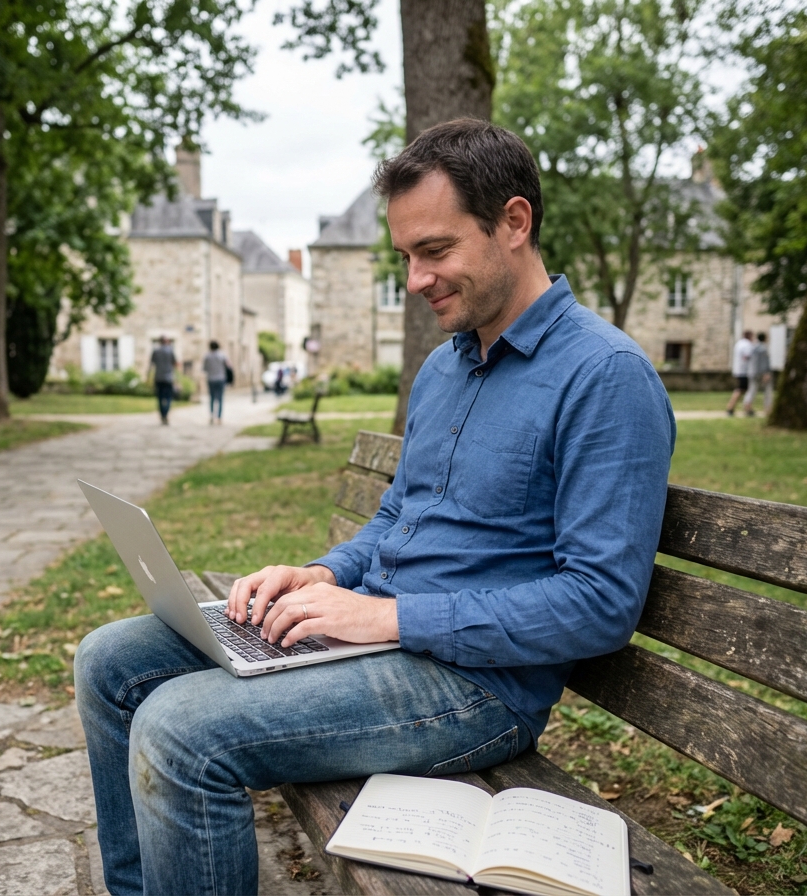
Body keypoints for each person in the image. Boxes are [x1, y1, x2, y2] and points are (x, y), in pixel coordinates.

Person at [74, 119, 675, 896]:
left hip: (478, 687)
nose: (417, 279)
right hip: (375, 640)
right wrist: (318, 573)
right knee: (108, 662)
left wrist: (386, 618)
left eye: (436, 251)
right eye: (406, 257)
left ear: (515, 223)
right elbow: (398, 519)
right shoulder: (444, 369)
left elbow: (600, 605)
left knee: (181, 731)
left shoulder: (605, 378)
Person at [148, 336, 177, 425]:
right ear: (167, 342)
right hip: (168, 378)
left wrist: (148, 376)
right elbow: (175, 363)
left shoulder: (156, 351)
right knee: (168, 397)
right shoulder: (170, 351)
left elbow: (151, 364)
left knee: (160, 398)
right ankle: (165, 414)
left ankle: (162, 415)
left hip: (159, 377)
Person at [725, 330, 754, 417]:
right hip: (744, 371)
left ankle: (746, 408)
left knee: (744, 389)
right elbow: (747, 356)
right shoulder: (747, 344)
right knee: (741, 389)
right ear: (749, 336)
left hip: (738, 370)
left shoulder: (739, 343)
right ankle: (732, 407)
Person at [743, 332, 772, 416]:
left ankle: (747, 407)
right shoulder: (763, 348)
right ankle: (768, 409)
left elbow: (748, 358)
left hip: (752, 372)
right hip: (761, 373)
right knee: (767, 391)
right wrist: (766, 373)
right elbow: (764, 362)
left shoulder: (753, 347)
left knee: (752, 390)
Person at [203, 340, 230, 424]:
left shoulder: (207, 356)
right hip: (221, 378)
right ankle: (219, 417)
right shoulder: (222, 355)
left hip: (211, 379)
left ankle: (211, 415)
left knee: (212, 398)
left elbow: (204, 369)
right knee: (220, 398)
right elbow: (229, 365)